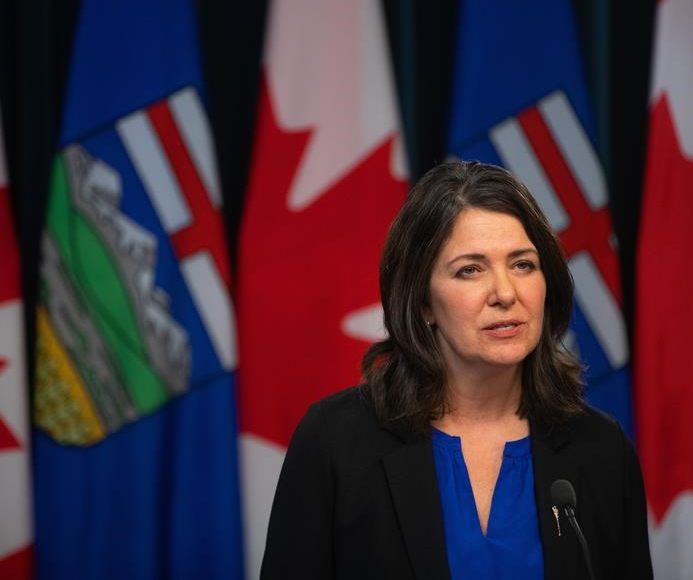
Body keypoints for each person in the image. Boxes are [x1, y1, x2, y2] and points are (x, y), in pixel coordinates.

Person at [260, 161, 652, 579]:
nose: (505, 293)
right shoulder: (335, 442)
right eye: (470, 269)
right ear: (423, 302)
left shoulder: (601, 449)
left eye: (522, 264)